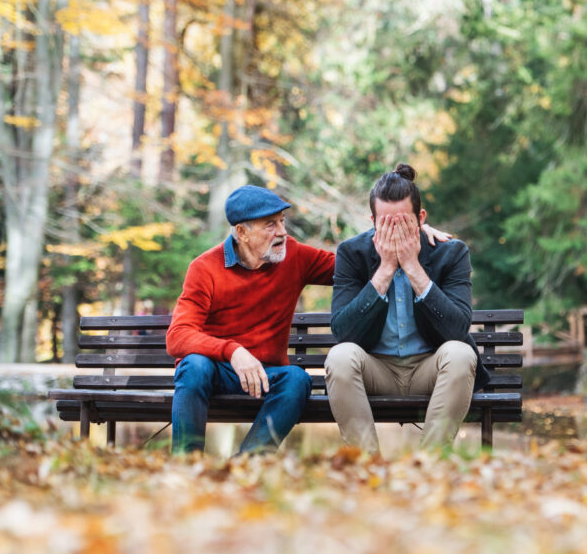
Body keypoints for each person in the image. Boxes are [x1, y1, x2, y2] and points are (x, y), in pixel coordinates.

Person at [165, 184, 449, 454]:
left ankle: (249, 463)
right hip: (219, 371)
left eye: (282, 221)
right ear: (242, 232)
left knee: (297, 380)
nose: (282, 232)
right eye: (271, 225)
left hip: (267, 376)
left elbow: (354, 264)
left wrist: (409, 233)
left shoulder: (294, 256)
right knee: (193, 365)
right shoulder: (205, 268)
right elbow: (177, 336)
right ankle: (186, 465)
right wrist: (233, 351)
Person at [325, 163, 490, 453]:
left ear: (421, 218)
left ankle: (428, 465)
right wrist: (385, 269)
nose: (395, 231)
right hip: (376, 369)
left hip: (431, 367)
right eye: (386, 224)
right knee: (339, 357)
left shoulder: (450, 253)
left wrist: (413, 268)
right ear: (373, 221)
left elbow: (457, 328)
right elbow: (343, 331)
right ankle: (366, 467)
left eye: (403, 223)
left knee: (461, 353)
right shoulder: (352, 253)